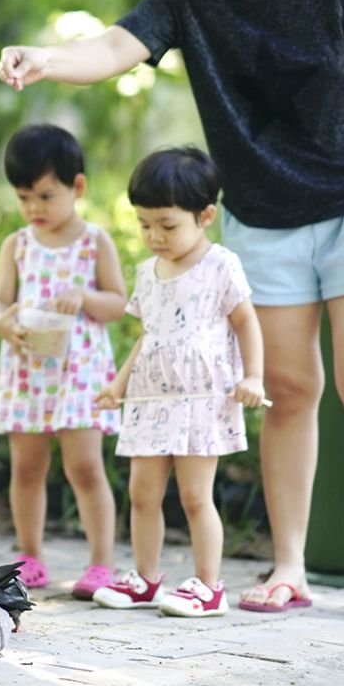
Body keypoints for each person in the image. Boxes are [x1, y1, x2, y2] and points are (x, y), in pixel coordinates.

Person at [0, 0, 344, 624]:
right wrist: (46, 58)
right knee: (290, 390)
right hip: (261, 221)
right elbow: (119, 44)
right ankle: (288, 565)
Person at [91, 147, 264, 615]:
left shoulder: (220, 265)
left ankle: (210, 587)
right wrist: (118, 385)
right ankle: (145, 579)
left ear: (205, 215)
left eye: (167, 225)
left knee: (193, 495)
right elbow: (148, 335)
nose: (154, 236)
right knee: (142, 492)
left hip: (200, 398)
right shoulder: (147, 272)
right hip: (149, 398)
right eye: (145, 224)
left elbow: (246, 321)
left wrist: (254, 375)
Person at [0, 124, 126, 599]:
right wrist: (4, 324)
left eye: (45, 196)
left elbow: (118, 303)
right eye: (24, 198)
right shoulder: (17, 245)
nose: (33, 209)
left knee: (84, 466)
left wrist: (84, 295)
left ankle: (101, 563)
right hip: (28, 368)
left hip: (79, 370)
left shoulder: (93, 242)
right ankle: (30, 554)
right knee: (26, 467)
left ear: (77, 187)